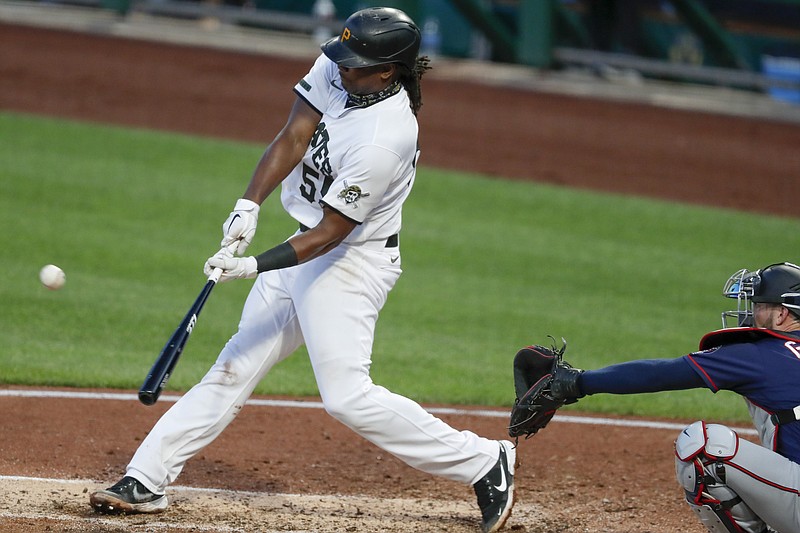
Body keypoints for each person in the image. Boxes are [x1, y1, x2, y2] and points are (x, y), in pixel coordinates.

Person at [89, 7, 516, 533]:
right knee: (234, 364)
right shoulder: (342, 66)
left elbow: (331, 233)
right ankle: (146, 479)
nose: (341, 69)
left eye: (356, 64)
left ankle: (483, 461)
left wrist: (252, 265)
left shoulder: (386, 136)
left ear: (387, 71)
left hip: (350, 263)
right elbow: (294, 135)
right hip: (301, 244)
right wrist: (249, 204)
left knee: (347, 397)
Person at [515, 262, 800, 533]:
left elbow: (661, 374)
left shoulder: (762, 354)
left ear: (781, 314)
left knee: (703, 446)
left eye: (760, 305)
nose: (751, 313)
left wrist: (575, 382)